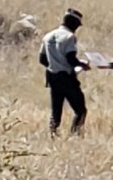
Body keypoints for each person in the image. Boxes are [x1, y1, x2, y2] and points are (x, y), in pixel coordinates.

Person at [38, 8, 91, 137]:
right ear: (74, 23)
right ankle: (75, 135)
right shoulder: (69, 37)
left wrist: (55, 65)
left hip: (52, 77)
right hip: (67, 78)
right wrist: (81, 65)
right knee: (80, 110)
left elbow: (42, 59)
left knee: (56, 109)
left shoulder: (48, 36)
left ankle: (53, 134)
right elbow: (70, 58)